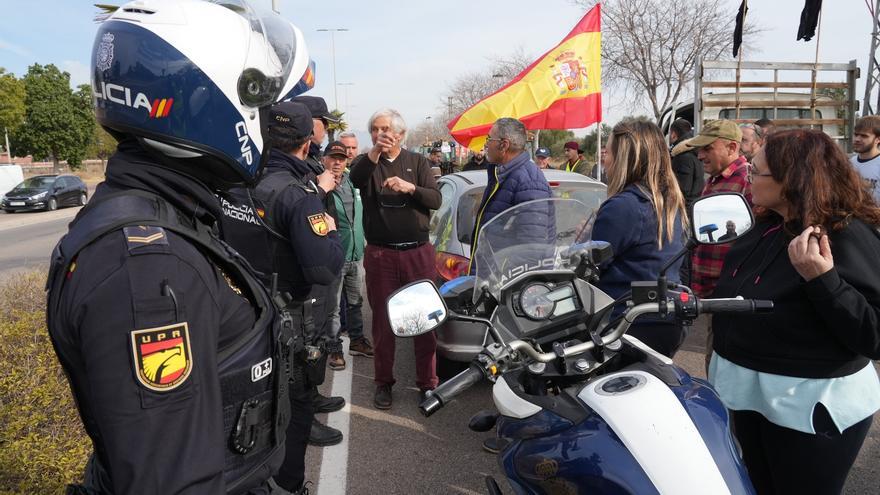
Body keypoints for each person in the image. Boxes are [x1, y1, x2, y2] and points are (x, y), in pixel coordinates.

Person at [46, 3, 308, 492]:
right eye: (258, 104)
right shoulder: (146, 266)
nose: (267, 122)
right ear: (204, 98)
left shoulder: (164, 215)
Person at [709, 129, 880, 494]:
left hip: (809, 410)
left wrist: (824, 280)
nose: (749, 178)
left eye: (757, 171)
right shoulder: (767, 226)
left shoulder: (846, 236)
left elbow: (875, 335)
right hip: (750, 396)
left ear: (793, 179)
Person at [219, 101, 345, 491]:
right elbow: (324, 268)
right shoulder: (298, 195)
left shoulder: (234, 182)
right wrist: (332, 229)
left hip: (242, 315)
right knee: (293, 410)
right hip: (288, 321)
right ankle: (290, 486)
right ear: (308, 143)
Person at [349, 109, 441, 410]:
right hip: (381, 254)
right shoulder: (368, 163)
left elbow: (436, 200)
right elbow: (355, 177)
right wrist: (373, 152)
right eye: (375, 130)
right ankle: (383, 383)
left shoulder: (418, 162)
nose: (380, 134)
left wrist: (410, 187)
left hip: (417, 252)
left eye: (386, 129)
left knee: (424, 320)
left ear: (400, 134)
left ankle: (427, 385)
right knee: (383, 322)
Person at [593, 118, 687, 358]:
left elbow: (592, 266)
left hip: (627, 323)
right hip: (664, 320)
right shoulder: (667, 200)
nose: (605, 160)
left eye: (609, 152)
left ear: (623, 158)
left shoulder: (624, 206)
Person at [468, 118, 552, 274]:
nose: (486, 144)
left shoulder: (529, 182)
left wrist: (497, 275)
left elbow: (531, 251)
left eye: (489, 139)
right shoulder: (501, 174)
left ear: (504, 145)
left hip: (504, 287)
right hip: (490, 283)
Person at [684, 119, 751, 299]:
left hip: (728, 293)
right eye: (700, 149)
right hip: (708, 291)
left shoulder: (748, 181)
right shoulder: (713, 181)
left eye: (708, 148)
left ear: (731, 147)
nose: (699, 156)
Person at [322, 141, 373, 371]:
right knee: (333, 307)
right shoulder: (319, 184)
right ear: (325, 159)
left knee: (355, 302)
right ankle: (333, 349)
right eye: (333, 157)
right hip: (333, 255)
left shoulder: (354, 180)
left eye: (341, 158)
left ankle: (357, 340)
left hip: (355, 254)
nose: (337, 162)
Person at [293, 95, 338, 174]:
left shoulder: (311, 155)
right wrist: (323, 186)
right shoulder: (295, 160)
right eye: (324, 122)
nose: (327, 127)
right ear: (308, 121)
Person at [668, 118, 705, 214]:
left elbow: (682, 191)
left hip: (684, 212)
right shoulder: (694, 151)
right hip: (694, 208)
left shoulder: (682, 157)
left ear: (673, 134)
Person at [850, 115, 880, 204]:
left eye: (864, 136)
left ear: (878, 139)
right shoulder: (850, 163)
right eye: (856, 134)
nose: (857, 139)